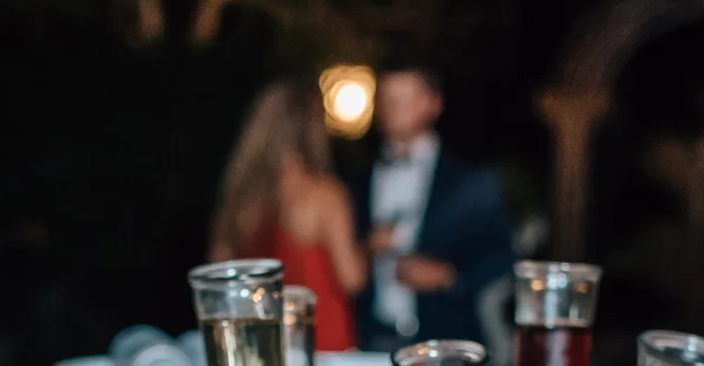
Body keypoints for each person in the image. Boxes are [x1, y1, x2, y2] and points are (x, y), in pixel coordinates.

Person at [350, 64, 514, 350]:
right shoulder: (357, 181)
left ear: (432, 104)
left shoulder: (469, 181)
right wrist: (367, 248)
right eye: (384, 100)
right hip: (372, 337)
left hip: (445, 339)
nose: (390, 109)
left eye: (402, 100)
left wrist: (448, 275)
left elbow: (503, 257)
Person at [210, 80, 367, 350]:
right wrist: (372, 248)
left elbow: (219, 276)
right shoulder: (325, 194)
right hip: (321, 348)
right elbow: (351, 278)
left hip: (260, 349)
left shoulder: (241, 197)